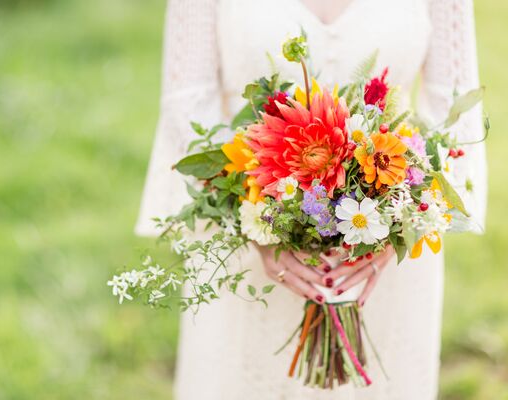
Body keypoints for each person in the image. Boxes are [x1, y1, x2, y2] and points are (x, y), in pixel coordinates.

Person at [135, 1, 487, 399]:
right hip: (244, 247)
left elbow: (454, 111)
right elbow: (186, 103)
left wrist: (398, 222)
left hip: (387, 258)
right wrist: (260, 224)